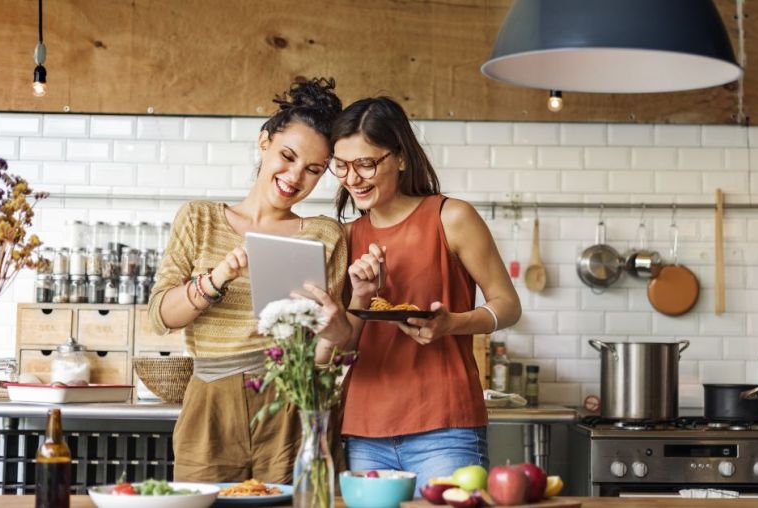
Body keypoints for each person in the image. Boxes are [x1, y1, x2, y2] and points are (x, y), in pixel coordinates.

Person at [148, 77, 350, 483]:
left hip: (291, 402)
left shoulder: (326, 234)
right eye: (287, 156)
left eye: (313, 170)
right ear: (264, 143)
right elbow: (160, 317)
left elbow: (325, 349)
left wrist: (334, 330)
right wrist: (219, 276)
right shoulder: (199, 218)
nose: (295, 177)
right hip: (210, 400)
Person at [325, 96, 521, 492]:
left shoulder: (451, 217)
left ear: (399, 157)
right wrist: (360, 297)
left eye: (365, 163)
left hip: (445, 426)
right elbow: (344, 347)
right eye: (341, 166)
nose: (353, 178)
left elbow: (508, 305)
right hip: (364, 428)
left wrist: (453, 324)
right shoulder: (345, 237)